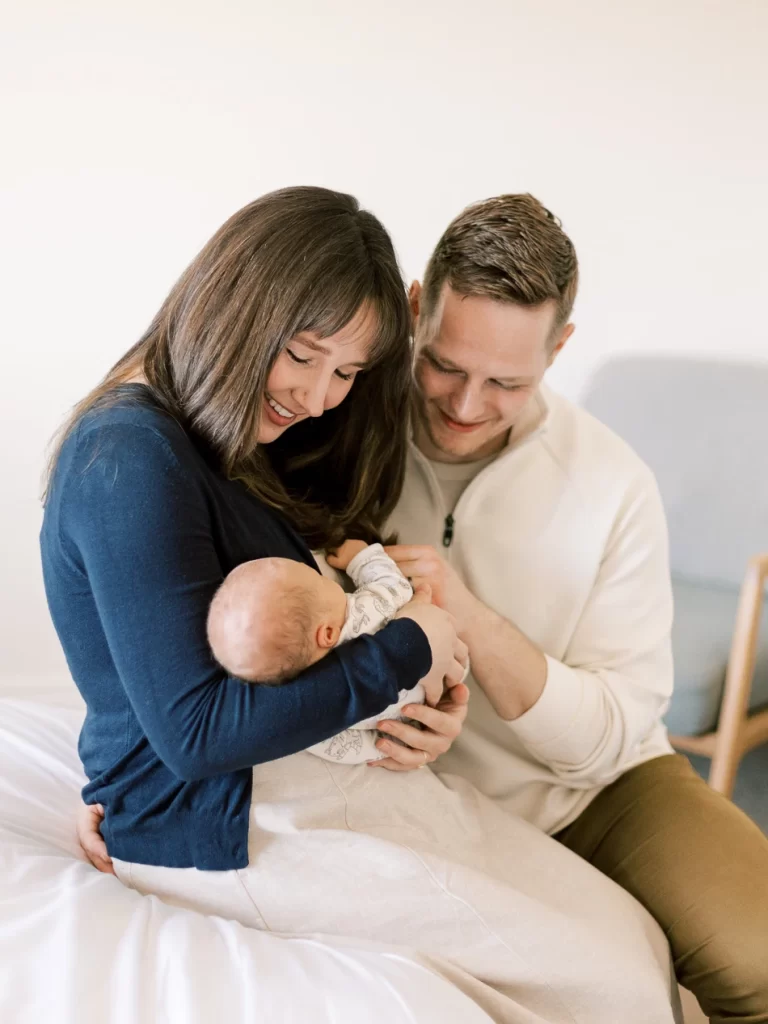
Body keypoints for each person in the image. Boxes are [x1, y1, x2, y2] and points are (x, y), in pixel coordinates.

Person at [51, 186, 678, 1023]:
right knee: (609, 980)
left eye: (347, 372)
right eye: (305, 356)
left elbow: (168, 650)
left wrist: (423, 682)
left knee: (629, 940)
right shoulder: (129, 457)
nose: (319, 396)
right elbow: (191, 734)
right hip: (230, 817)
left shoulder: (233, 430)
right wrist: (411, 645)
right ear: (239, 308)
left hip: (313, 773)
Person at [377, 193, 768, 1023]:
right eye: (444, 365)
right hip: (398, 791)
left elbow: (608, 740)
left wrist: (471, 619)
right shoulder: (341, 427)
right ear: (415, 309)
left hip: (589, 792)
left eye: (507, 382)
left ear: (560, 348)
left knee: (761, 954)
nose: (466, 406)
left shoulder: (613, 485)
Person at [207, 540, 426, 763]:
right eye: (320, 580)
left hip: (415, 718)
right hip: (434, 661)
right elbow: (395, 585)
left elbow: (346, 748)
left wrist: (387, 747)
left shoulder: (316, 710)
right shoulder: (364, 614)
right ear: (327, 633)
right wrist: (360, 557)